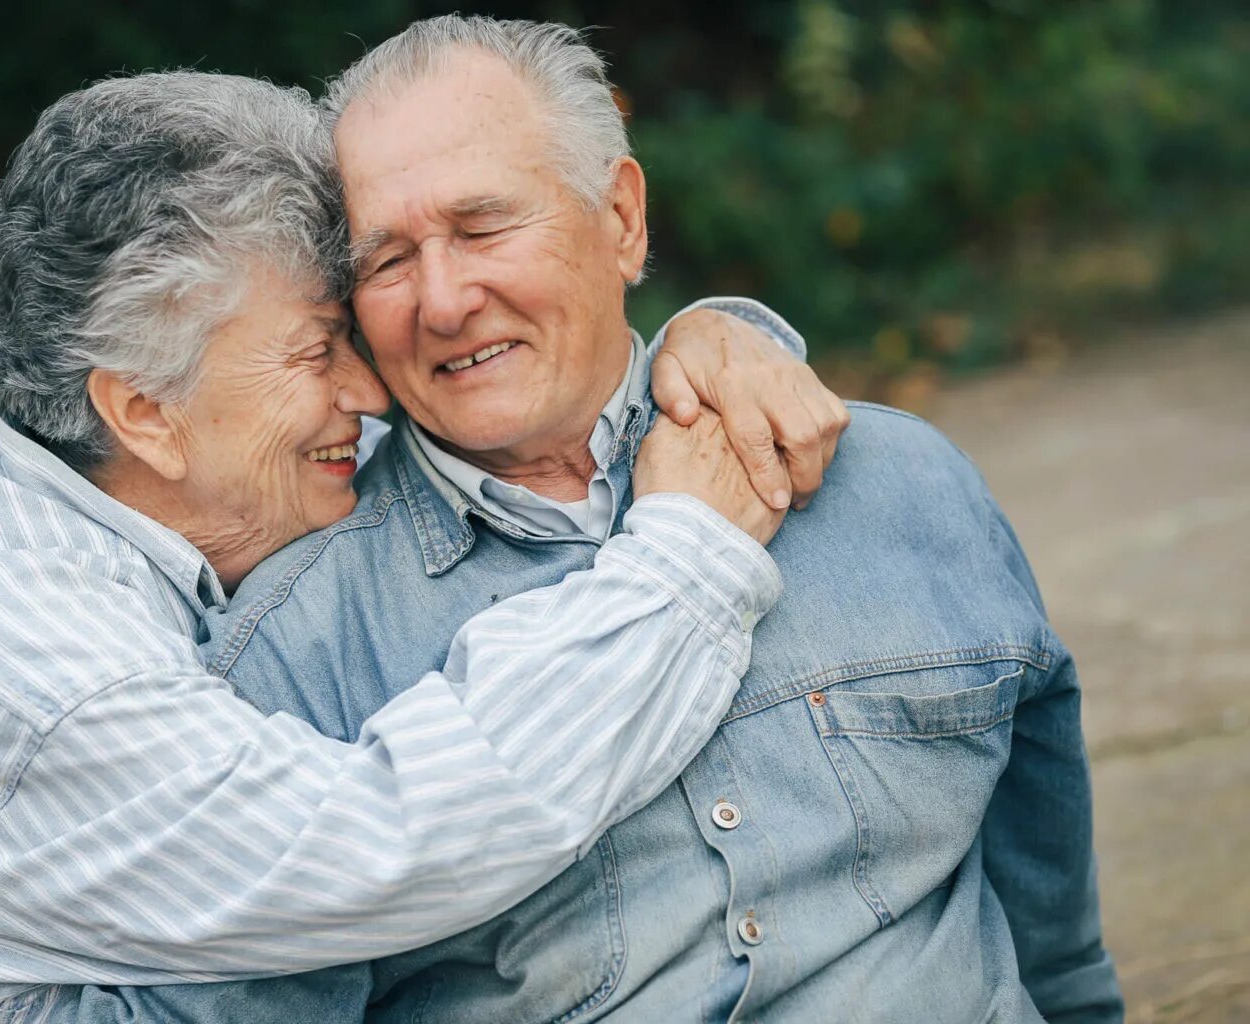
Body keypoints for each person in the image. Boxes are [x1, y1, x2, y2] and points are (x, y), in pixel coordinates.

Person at [85, 16, 1124, 1023]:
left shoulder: (898, 486)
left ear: (621, 220)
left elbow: (1048, 907)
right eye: (387, 260)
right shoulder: (299, 655)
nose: (442, 301)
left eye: (484, 224)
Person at [0, 71, 846, 1022]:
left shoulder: (76, 465)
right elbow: (394, 844)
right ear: (144, 408)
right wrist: (689, 558)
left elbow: (516, 396)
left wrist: (702, 346)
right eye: (316, 348)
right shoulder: (35, 656)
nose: (367, 391)